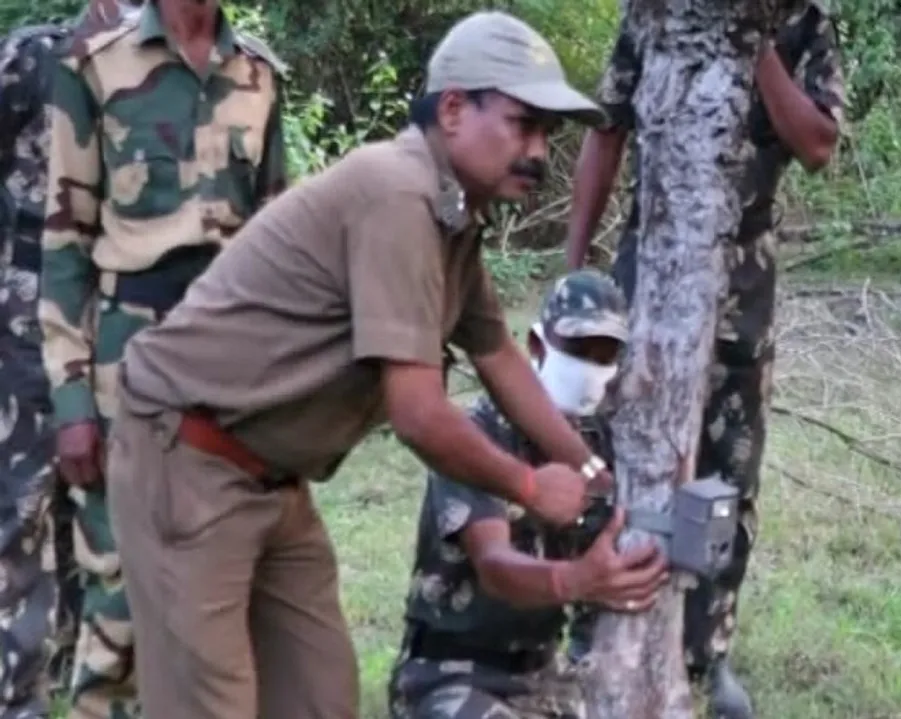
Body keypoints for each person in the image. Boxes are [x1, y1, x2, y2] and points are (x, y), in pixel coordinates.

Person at [103, 10, 614, 718]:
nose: (536, 150)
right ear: (456, 109)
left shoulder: (453, 216)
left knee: (318, 697)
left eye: (547, 134)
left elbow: (496, 352)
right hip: (185, 456)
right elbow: (418, 413)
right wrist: (530, 483)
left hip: (273, 478)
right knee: (208, 705)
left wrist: (591, 471)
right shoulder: (396, 194)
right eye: (523, 123)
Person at [563, 2, 848, 716]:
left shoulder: (803, 19)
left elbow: (816, 144)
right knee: (614, 448)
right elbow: (608, 130)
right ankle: (590, 626)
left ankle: (705, 650)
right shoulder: (659, 10)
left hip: (742, 279)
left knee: (728, 470)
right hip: (651, 257)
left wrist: (756, 49)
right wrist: (576, 264)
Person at [37, 0, 289, 715]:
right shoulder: (95, 66)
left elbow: (280, 238)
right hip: (130, 354)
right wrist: (72, 399)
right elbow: (63, 249)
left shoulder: (260, 74)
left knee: (226, 574)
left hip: (232, 359)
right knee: (119, 586)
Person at [387, 268, 668, 719]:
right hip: (454, 674)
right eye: (578, 350)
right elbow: (495, 567)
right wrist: (578, 580)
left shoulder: (602, 445)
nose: (591, 368)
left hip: (548, 676)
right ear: (537, 345)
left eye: (606, 354)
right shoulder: (476, 439)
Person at [0, 3, 141, 714]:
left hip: (115, 337)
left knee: (107, 524)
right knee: (18, 520)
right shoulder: (35, 60)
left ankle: (96, 689)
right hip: (22, 333)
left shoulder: (156, 80)